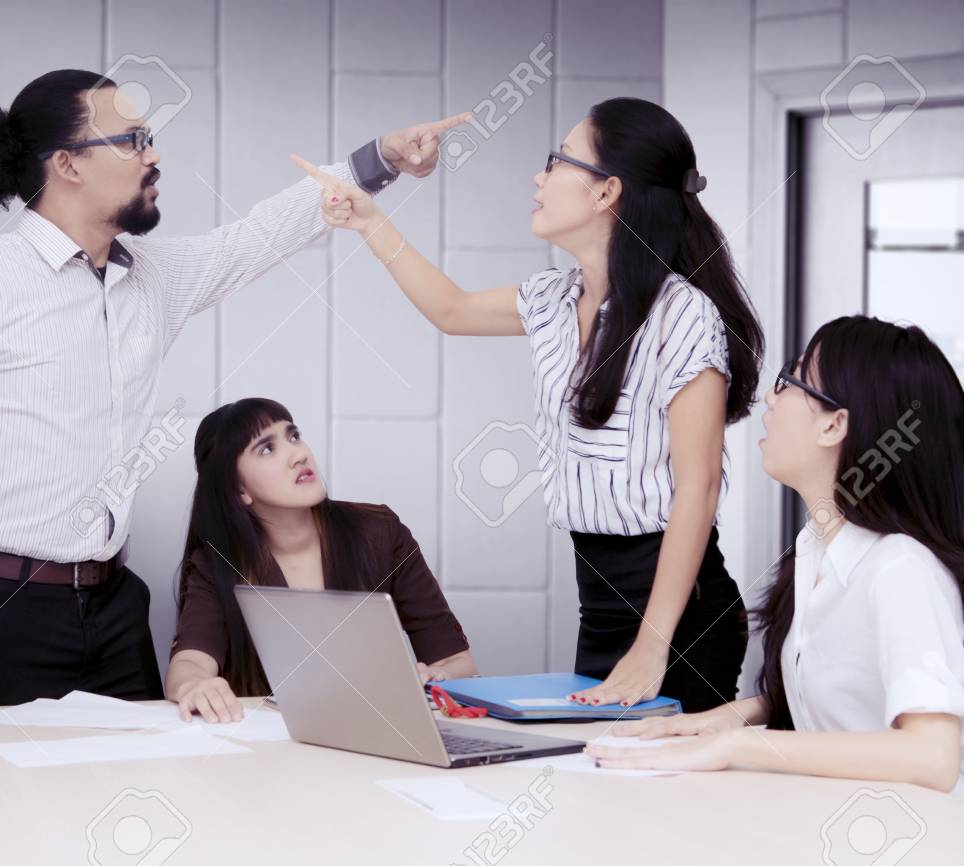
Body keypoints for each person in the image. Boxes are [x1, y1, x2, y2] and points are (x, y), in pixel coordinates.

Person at [0, 67, 470, 720]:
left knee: (139, 796)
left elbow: (257, 235)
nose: (153, 154)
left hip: (113, 609)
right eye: (132, 141)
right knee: (4, 814)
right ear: (69, 163)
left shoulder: (153, 278)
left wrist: (381, 158)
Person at [295, 96, 764, 712]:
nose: (539, 178)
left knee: (666, 795)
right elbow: (452, 310)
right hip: (599, 599)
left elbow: (697, 490)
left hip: (678, 614)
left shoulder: (682, 317)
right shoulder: (554, 298)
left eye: (558, 161)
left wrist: (652, 647)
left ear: (606, 193)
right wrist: (368, 220)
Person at [586, 317, 964, 795]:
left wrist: (738, 747)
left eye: (791, 379)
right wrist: (723, 720)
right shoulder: (815, 548)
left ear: (834, 424)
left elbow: (931, 757)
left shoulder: (901, 569)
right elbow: (842, 696)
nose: (770, 398)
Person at [165, 398, 476, 722]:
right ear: (239, 489)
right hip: (268, 755)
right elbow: (189, 665)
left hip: (377, 739)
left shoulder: (382, 533)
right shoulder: (217, 563)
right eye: (267, 449)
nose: (298, 454)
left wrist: (435, 680)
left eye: (294, 436)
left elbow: (458, 663)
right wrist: (197, 685)